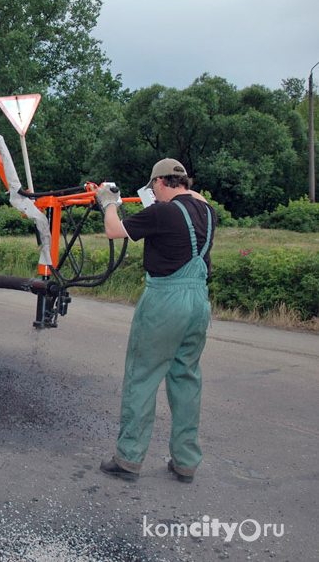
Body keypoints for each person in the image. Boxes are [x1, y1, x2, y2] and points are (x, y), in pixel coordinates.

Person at [94, 159, 217, 483]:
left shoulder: (163, 212)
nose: (153, 195)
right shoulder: (207, 211)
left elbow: (113, 230)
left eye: (154, 189)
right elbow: (195, 197)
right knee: (186, 378)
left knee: (142, 376)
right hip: (199, 303)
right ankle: (186, 462)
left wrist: (108, 202)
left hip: (166, 301)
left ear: (161, 183)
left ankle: (129, 459)